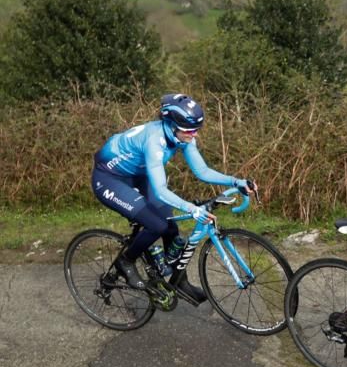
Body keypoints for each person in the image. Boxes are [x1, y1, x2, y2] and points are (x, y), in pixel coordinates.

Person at [91, 93, 256, 303]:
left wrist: (236, 181)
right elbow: (160, 190)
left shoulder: (182, 136)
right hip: (110, 179)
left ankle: (179, 283)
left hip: (139, 176)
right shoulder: (154, 141)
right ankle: (125, 261)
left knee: (170, 226)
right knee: (157, 225)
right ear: (171, 123)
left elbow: (202, 171)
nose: (194, 135)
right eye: (189, 130)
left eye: (196, 130)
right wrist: (192, 208)